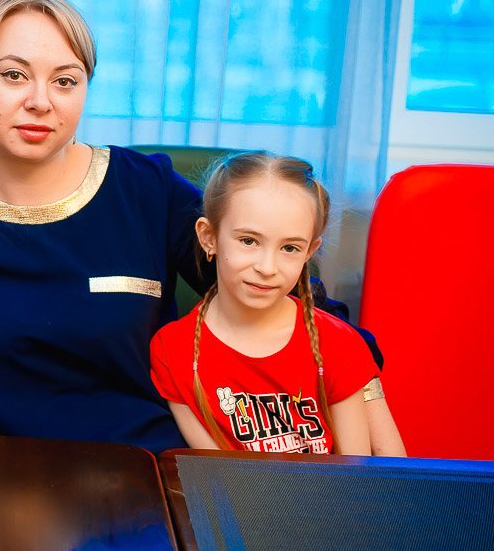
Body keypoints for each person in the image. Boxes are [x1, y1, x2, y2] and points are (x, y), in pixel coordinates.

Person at [0, 0, 399, 453]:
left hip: (145, 470)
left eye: (65, 81)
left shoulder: (146, 189)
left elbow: (284, 289)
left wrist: (361, 378)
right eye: (13, 75)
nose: (40, 101)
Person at [149, 152, 377, 454]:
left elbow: (356, 470)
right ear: (208, 237)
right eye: (249, 241)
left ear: (310, 251)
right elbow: (213, 470)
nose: (267, 267)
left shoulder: (338, 343)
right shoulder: (172, 352)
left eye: (290, 248)